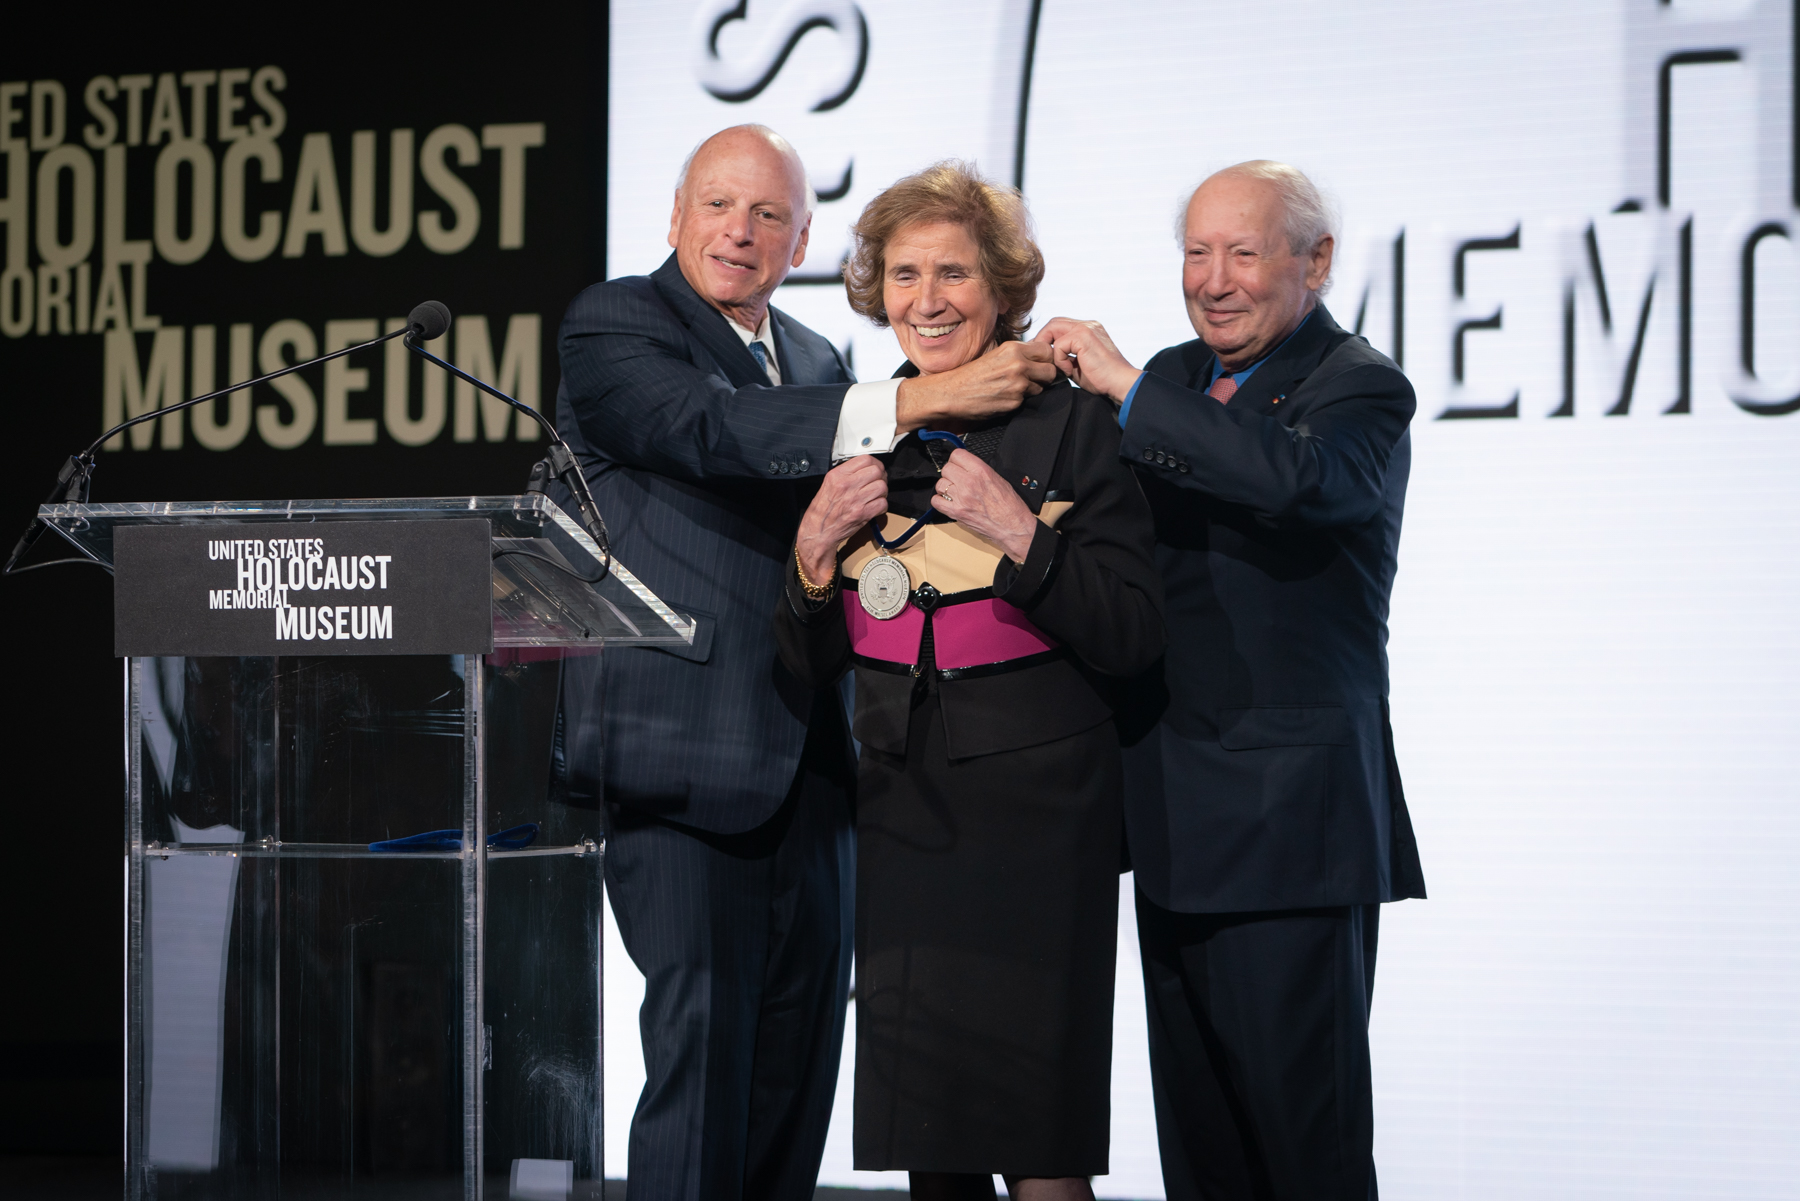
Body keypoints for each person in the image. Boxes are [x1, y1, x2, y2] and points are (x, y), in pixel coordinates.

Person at [554, 127, 1058, 1201]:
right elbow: (713, 427)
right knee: (702, 1071)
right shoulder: (615, 326)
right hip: (681, 767)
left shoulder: (823, 362)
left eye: (769, 215)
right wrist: (931, 398)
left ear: (803, 240)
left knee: (795, 1082)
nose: (741, 232)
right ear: (677, 215)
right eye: (721, 206)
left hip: (822, 771)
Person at [1034, 160, 1427, 1200]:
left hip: (1288, 826)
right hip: (1168, 816)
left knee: (1305, 1147)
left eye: (1243, 253)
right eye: (1196, 254)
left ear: (1316, 262)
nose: (1214, 280)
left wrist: (1126, 390)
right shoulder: (1170, 372)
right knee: (1201, 1152)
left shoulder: (1360, 384)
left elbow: (1300, 480)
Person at [773, 162, 1164, 1201]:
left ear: (1002, 290)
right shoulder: (862, 425)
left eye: (954, 272)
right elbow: (802, 671)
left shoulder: (1078, 424)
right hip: (904, 806)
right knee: (934, 1153)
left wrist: (1019, 533)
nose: (928, 299)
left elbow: (1132, 632)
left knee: (1042, 1151)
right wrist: (811, 562)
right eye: (905, 273)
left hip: (1043, 815)